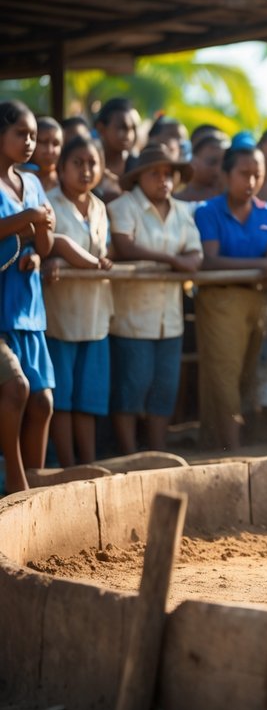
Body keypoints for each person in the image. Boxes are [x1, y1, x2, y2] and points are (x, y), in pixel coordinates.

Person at [107, 144, 203, 454]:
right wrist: (173, 260)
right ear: (138, 177)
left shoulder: (181, 211)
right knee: (131, 388)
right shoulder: (124, 207)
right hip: (133, 317)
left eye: (168, 174)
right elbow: (124, 247)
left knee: (164, 387)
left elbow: (195, 252)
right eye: (155, 173)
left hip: (169, 318)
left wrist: (181, 260)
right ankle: (128, 452)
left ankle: (158, 450)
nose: (163, 180)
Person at [193, 143, 267, 452]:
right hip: (220, 301)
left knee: (247, 374)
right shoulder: (208, 211)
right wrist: (266, 265)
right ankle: (231, 448)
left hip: (256, 301)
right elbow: (210, 260)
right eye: (243, 173)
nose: (250, 181)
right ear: (225, 174)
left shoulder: (266, 212)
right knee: (224, 373)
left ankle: (222, 440)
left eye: (256, 175)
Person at [44, 137, 117, 466]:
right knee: (63, 398)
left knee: (90, 398)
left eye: (92, 163)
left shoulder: (101, 208)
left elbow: (106, 251)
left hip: (96, 314)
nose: (86, 170)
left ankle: (88, 464)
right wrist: (53, 261)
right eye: (78, 163)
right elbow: (41, 249)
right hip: (61, 316)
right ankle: (68, 464)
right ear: (61, 168)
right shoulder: (49, 204)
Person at [0, 100, 56, 489]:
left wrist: (37, 249)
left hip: (29, 310)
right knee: (16, 388)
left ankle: (33, 485)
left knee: (42, 402)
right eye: (21, 133)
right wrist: (31, 218)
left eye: (33, 135)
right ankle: (17, 485)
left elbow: (46, 243)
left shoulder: (33, 183)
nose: (30, 141)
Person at [93, 98, 140, 202]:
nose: (129, 135)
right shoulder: (88, 164)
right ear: (101, 128)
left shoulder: (138, 167)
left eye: (132, 128)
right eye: (121, 128)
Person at [175, 130, 228, 206]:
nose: (218, 170)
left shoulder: (228, 200)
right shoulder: (173, 198)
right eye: (212, 162)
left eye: (224, 163)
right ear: (192, 160)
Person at [31, 117, 61, 192]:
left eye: (56, 144)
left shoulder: (68, 185)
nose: (50, 150)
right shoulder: (18, 180)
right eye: (44, 142)